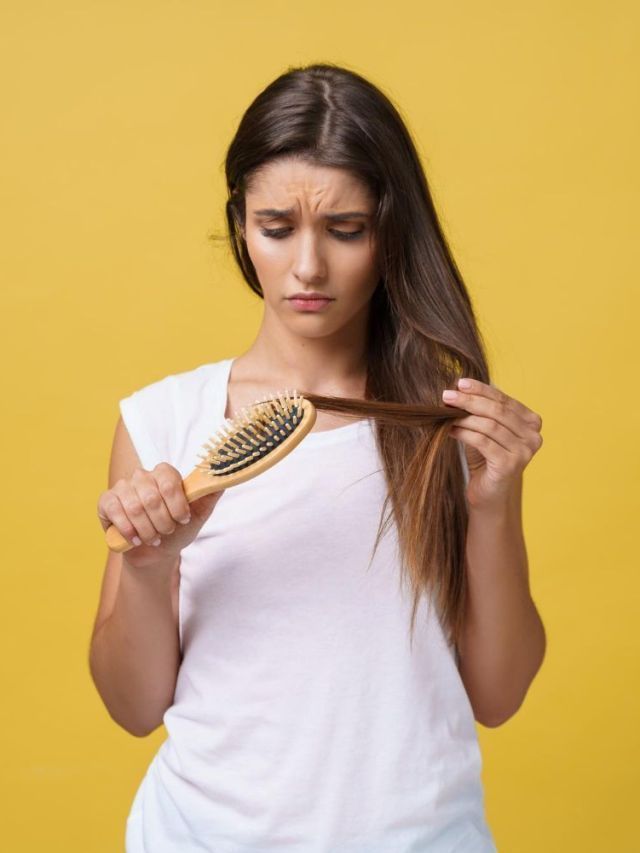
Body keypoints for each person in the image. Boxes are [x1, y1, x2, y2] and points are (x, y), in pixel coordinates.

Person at [89, 62, 546, 852]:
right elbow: (133, 709)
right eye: (277, 227)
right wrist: (147, 565)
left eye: (346, 229)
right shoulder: (164, 420)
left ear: (389, 230)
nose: (308, 267)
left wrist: (494, 501)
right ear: (240, 224)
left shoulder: (447, 423)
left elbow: (499, 694)